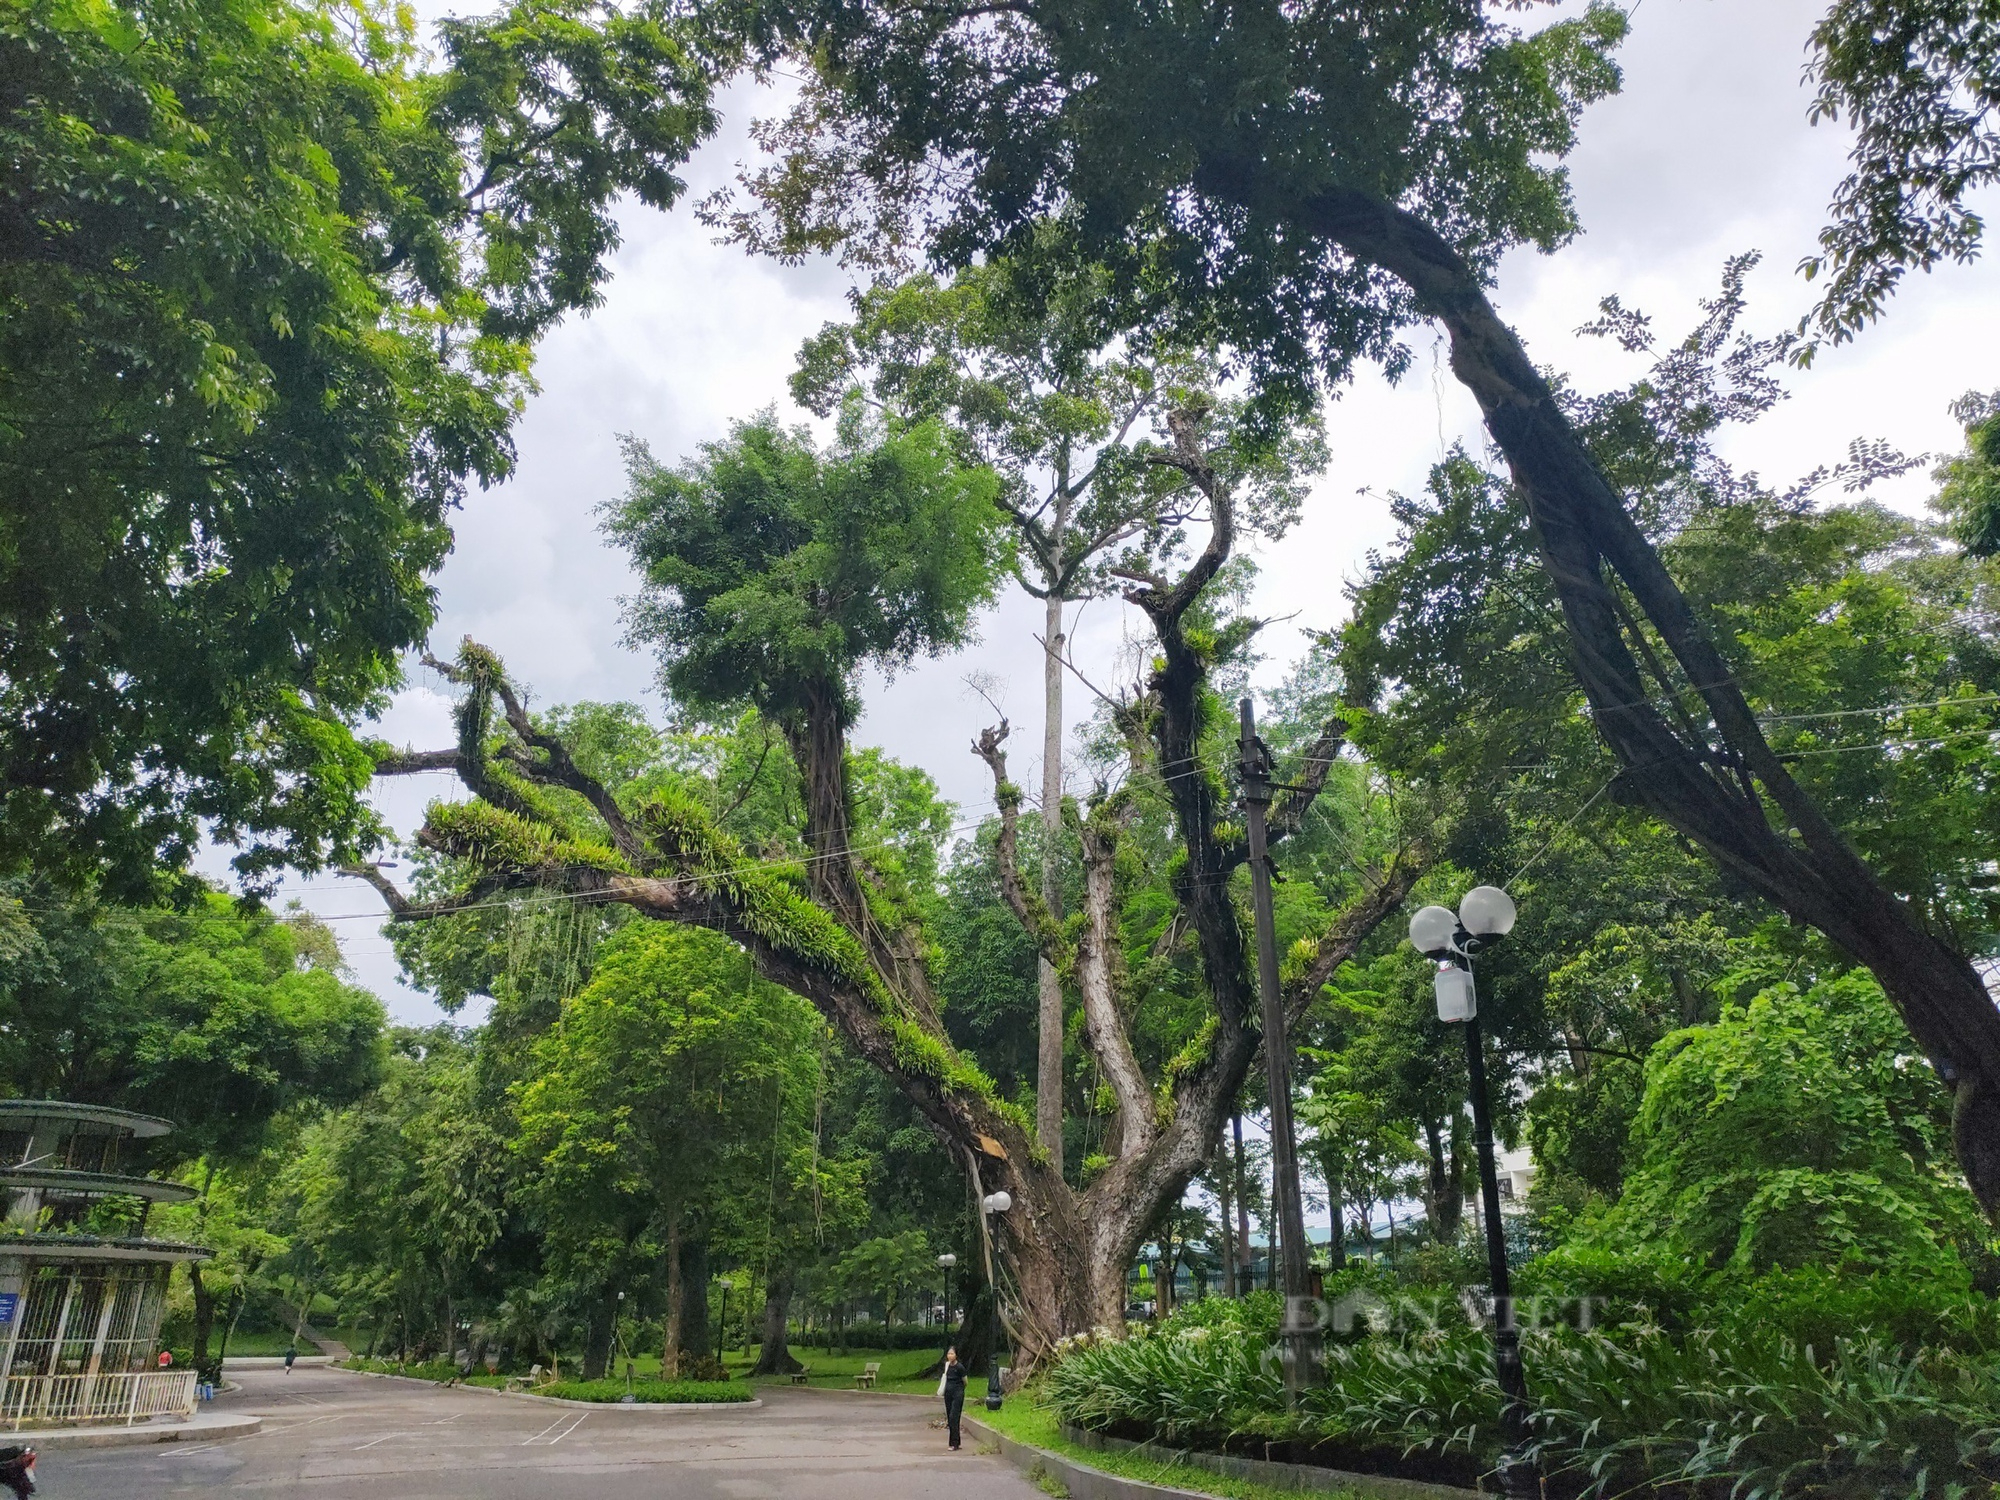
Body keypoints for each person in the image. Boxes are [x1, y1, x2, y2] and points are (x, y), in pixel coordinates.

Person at [940, 1346, 967, 1451]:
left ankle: (954, 1444)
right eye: (948, 1354)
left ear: (956, 1355)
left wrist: (959, 1389)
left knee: (954, 1417)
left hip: (958, 1394)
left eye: (952, 1353)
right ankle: (954, 1442)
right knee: (950, 1418)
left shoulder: (960, 1367)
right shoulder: (947, 1366)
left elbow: (965, 1381)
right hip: (948, 1394)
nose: (950, 1356)